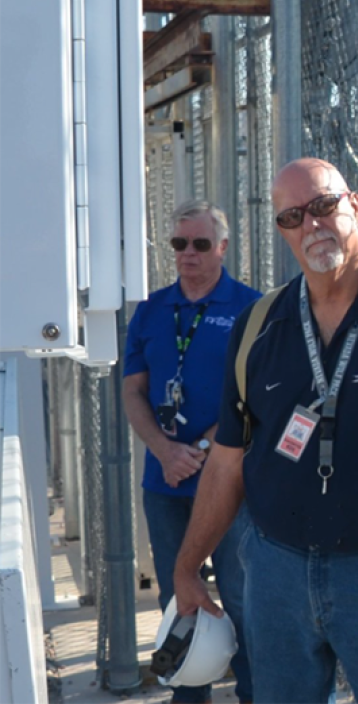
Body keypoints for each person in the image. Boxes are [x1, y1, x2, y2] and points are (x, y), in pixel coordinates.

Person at [173, 158, 358, 704]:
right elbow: (228, 460)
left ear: (356, 206)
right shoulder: (261, 324)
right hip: (276, 571)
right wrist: (187, 569)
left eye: (324, 206)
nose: (312, 226)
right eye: (293, 217)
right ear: (281, 230)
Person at [124, 200, 259, 704]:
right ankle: (187, 695)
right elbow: (132, 391)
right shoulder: (152, 310)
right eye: (180, 244)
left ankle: (253, 693)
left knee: (242, 599)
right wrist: (164, 450)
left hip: (228, 482)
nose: (189, 254)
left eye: (201, 244)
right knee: (177, 597)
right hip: (166, 483)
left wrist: (199, 449)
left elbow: (257, 393)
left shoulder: (251, 307)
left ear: (222, 247)